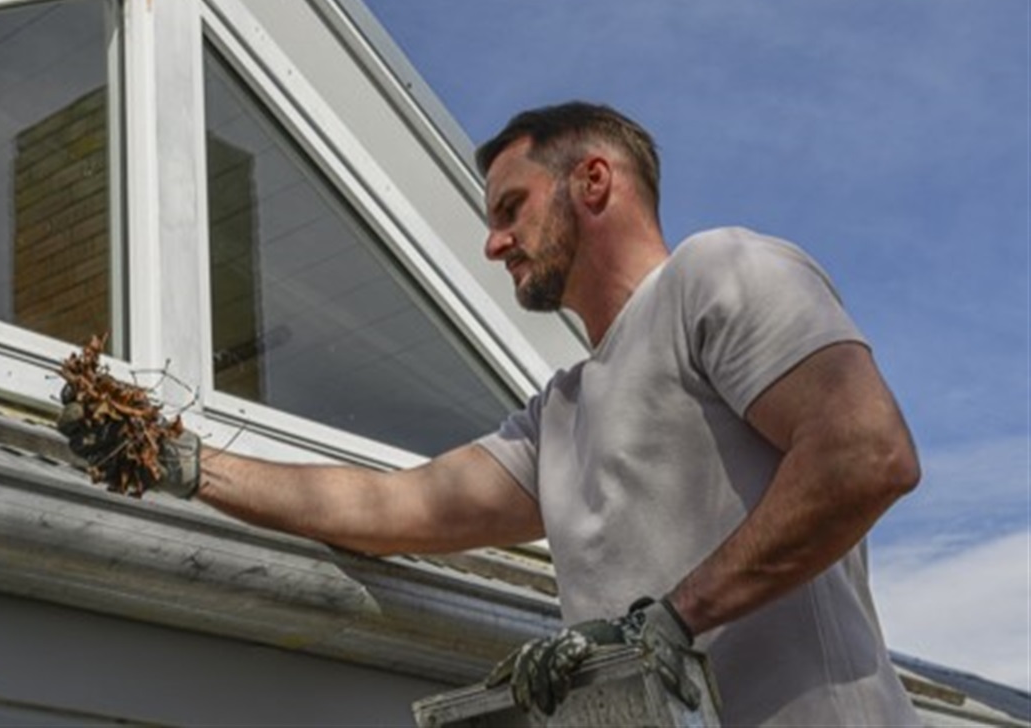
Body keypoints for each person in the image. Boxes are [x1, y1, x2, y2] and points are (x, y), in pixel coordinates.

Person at [61, 102, 923, 726]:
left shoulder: (717, 273)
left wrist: (669, 620)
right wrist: (180, 461)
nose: (493, 242)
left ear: (594, 181)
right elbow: (386, 511)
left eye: (512, 207)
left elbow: (864, 453)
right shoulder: (561, 417)